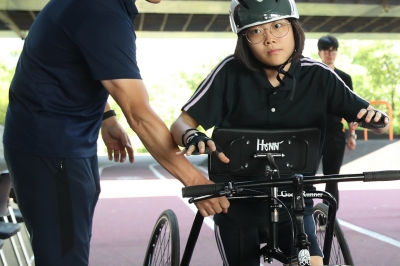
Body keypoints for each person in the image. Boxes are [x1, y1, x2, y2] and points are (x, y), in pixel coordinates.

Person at [170, 0, 390, 265]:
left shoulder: (319, 76)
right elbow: (181, 124)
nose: (269, 39)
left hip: (295, 203)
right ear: (244, 39)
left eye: (277, 26)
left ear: (294, 28)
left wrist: (376, 120)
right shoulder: (229, 72)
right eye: (256, 31)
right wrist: (193, 135)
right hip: (236, 203)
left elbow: (378, 120)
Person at [2, 0, 219, 265]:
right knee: (64, 256)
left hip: (60, 142)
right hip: (51, 148)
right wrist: (195, 181)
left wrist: (107, 119)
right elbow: (138, 113)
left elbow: (79, 63)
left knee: (69, 243)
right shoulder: (101, 13)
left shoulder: (97, 6)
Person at [318, 35, 356, 209]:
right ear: (320, 53)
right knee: (303, 176)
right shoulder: (312, 76)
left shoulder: (344, 78)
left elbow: (351, 109)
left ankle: (330, 215)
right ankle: (303, 214)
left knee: (332, 177)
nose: (330, 53)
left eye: (333, 50)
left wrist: (352, 135)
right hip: (313, 133)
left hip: (335, 133)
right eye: (327, 50)